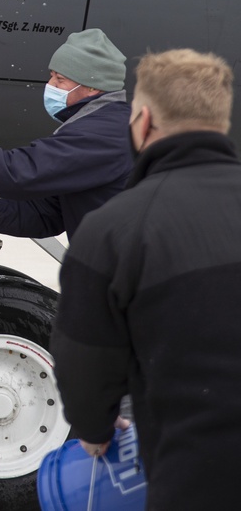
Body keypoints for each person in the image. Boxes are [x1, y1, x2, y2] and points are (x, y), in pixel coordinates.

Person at [51, 49, 241, 510]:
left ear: (142, 121)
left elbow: (83, 356)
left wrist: (95, 428)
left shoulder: (114, 228)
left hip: (198, 474)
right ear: (221, 120)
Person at [0, 27, 132, 239]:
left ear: (92, 87)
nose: (50, 85)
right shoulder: (104, 125)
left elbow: (19, 174)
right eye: (51, 77)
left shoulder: (104, 133)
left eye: (60, 79)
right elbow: (47, 214)